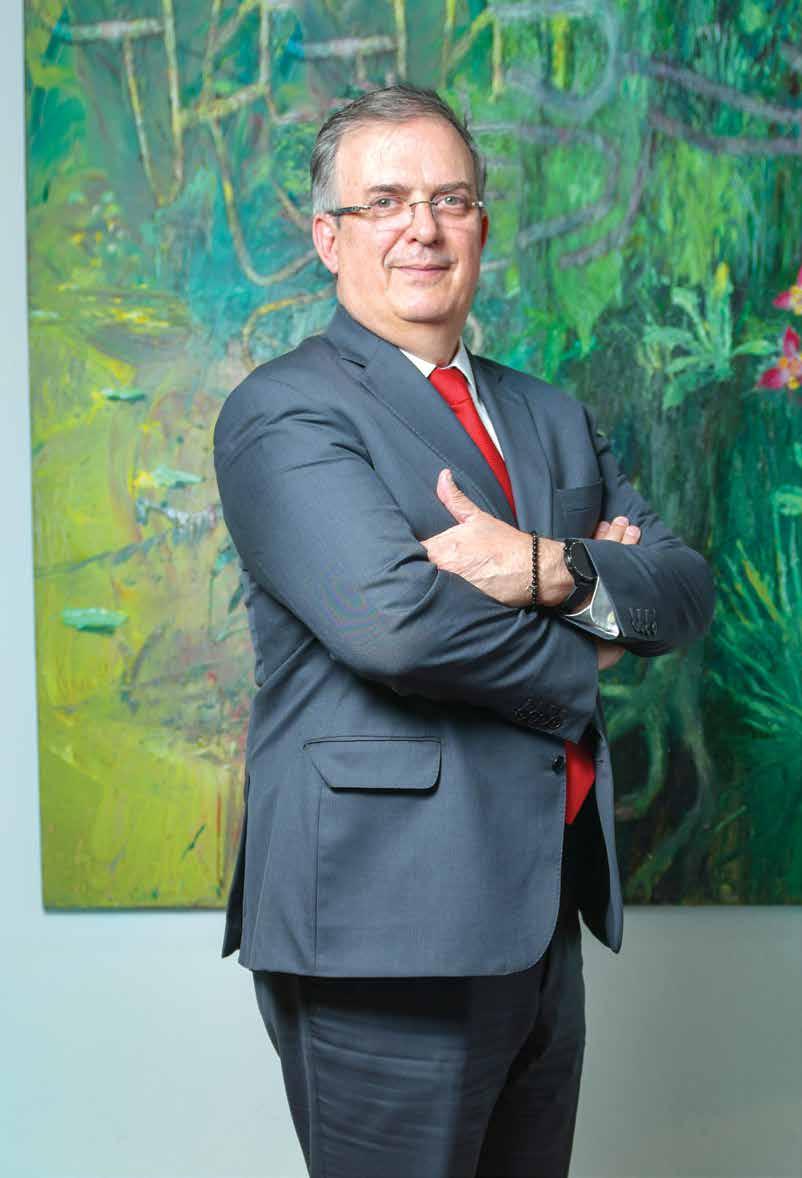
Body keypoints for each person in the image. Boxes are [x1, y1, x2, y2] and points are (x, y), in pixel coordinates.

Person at [212, 84, 715, 1178]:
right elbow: (395, 624)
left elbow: (681, 586)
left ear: (482, 224)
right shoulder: (284, 411)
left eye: (450, 199)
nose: (423, 229)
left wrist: (540, 564)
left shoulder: (548, 413)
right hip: (381, 925)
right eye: (385, 201)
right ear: (328, 238)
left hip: (540, 917)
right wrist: (589, 638)